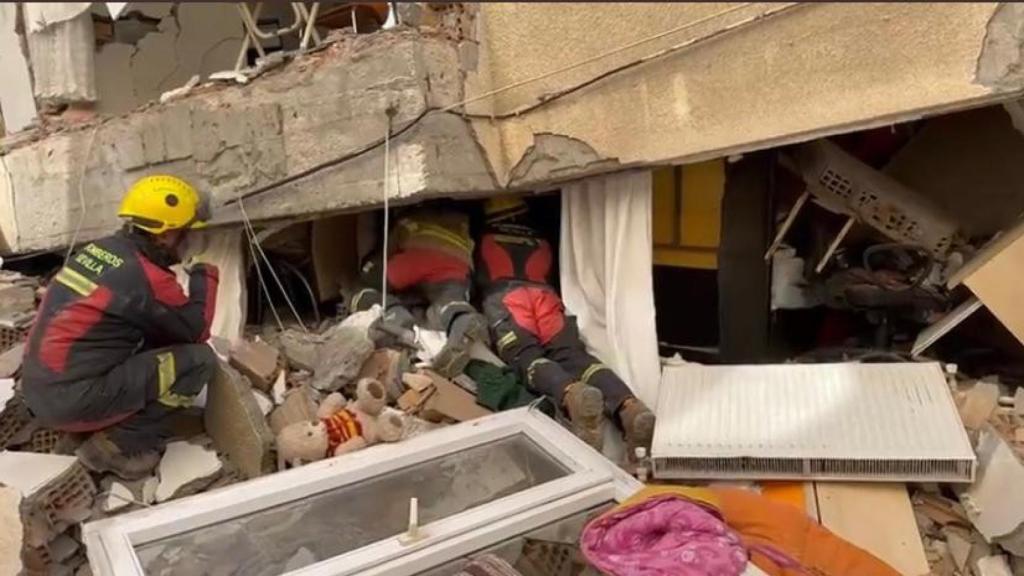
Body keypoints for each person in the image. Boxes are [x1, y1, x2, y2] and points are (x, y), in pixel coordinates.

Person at [22, 175, 220, 480]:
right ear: (166, 235)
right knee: (199, 360)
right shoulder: (148, 277)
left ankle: (88, 422)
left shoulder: (100, 250)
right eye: (187, 234)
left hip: (40, 389)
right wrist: (205, 275)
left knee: (152, 342)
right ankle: (119, 444)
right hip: (73, 402)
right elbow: (196, 331)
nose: (189, 242)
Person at [476, 195, 655, 453]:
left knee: (527, 357)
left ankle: (571, 393)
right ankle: (629, 407)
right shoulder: (540, 238)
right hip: (546, 297)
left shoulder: (483, 236)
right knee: (574, 356)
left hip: (508, 299)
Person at [350, 205, 489, 377]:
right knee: (449, 298)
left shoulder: (408, 216)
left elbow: (384, 253)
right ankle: (459, 316)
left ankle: (396, 320)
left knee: (362, 287)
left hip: (416, 257)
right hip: (457, 261)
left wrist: (369, 267)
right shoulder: (461, 216)